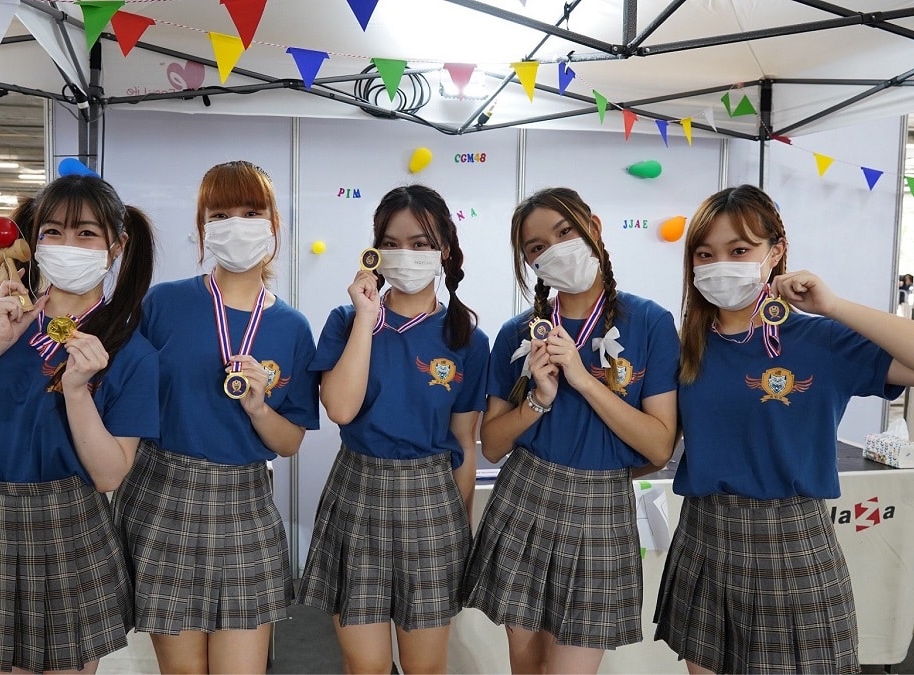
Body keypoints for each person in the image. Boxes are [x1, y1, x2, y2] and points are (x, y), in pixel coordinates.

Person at [654, 184, 914, 674]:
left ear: (776, 251)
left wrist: (834, 306)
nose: (720, 265)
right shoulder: (687, 348)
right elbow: (657, 442)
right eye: (705, 254)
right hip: (704, 535)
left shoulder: (820, 339)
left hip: (792, 540)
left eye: (739, 250)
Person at [0, 173, 159, 674]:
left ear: (116, 246)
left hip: (70, 526)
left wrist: (77, 392)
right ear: (31, 243)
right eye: (53, 232)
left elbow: (110, 474)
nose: (68, 245)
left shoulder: (130, 351)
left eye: (86, 233)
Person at [111, 160, 319, 675]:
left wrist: (258, 408)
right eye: (220, 214)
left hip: (245, 503)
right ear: (202, 228)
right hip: (163, 496)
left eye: (251, 212)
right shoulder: (163, 304)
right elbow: (121, 399)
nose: (236, 225)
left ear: (273, 225)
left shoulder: (292, 326)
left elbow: (290, 441)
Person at [463, 187, 679, 674]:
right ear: (530, 263)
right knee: (526, 664)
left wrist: (582, 380)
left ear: (593, 229)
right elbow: (492, 445)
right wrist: (539, 400)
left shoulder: (650, 323)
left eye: (565, 232)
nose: (555, 250)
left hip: (602, 507)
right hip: (526, 496)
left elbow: (659, 446)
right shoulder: (519, 333)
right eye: (537, 247)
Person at [298, 184, 490, 674]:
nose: (406, 254)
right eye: (392, 243)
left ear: (444, 251)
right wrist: (366, 317)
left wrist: (461, 531)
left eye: (420, 243)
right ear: (375, 253)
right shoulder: (347, 321)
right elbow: (340, 409)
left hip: (433, 502)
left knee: (425, 668)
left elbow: (464, 443)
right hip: (357, 491)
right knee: (366, 666)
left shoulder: (467, 339)